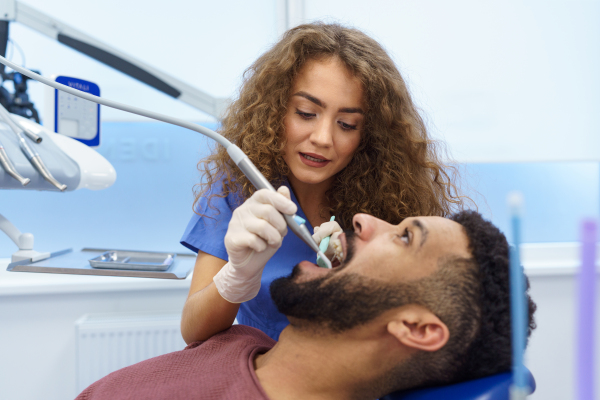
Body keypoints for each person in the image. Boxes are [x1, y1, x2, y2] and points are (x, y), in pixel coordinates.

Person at [180, 22, 467, 343]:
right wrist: (236, 276)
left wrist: (359, 279)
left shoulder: (392, 200)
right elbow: (193, 333)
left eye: (346, 124)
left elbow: (421, 327)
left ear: (368, 134)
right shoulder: (237, 187)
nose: (323, 138)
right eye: (305, 112)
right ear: (276, 110)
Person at [78, 211, 536, 400]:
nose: (361, 218)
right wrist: (233, 277)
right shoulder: (240, 340)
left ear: (416, 328)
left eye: (404, 236)